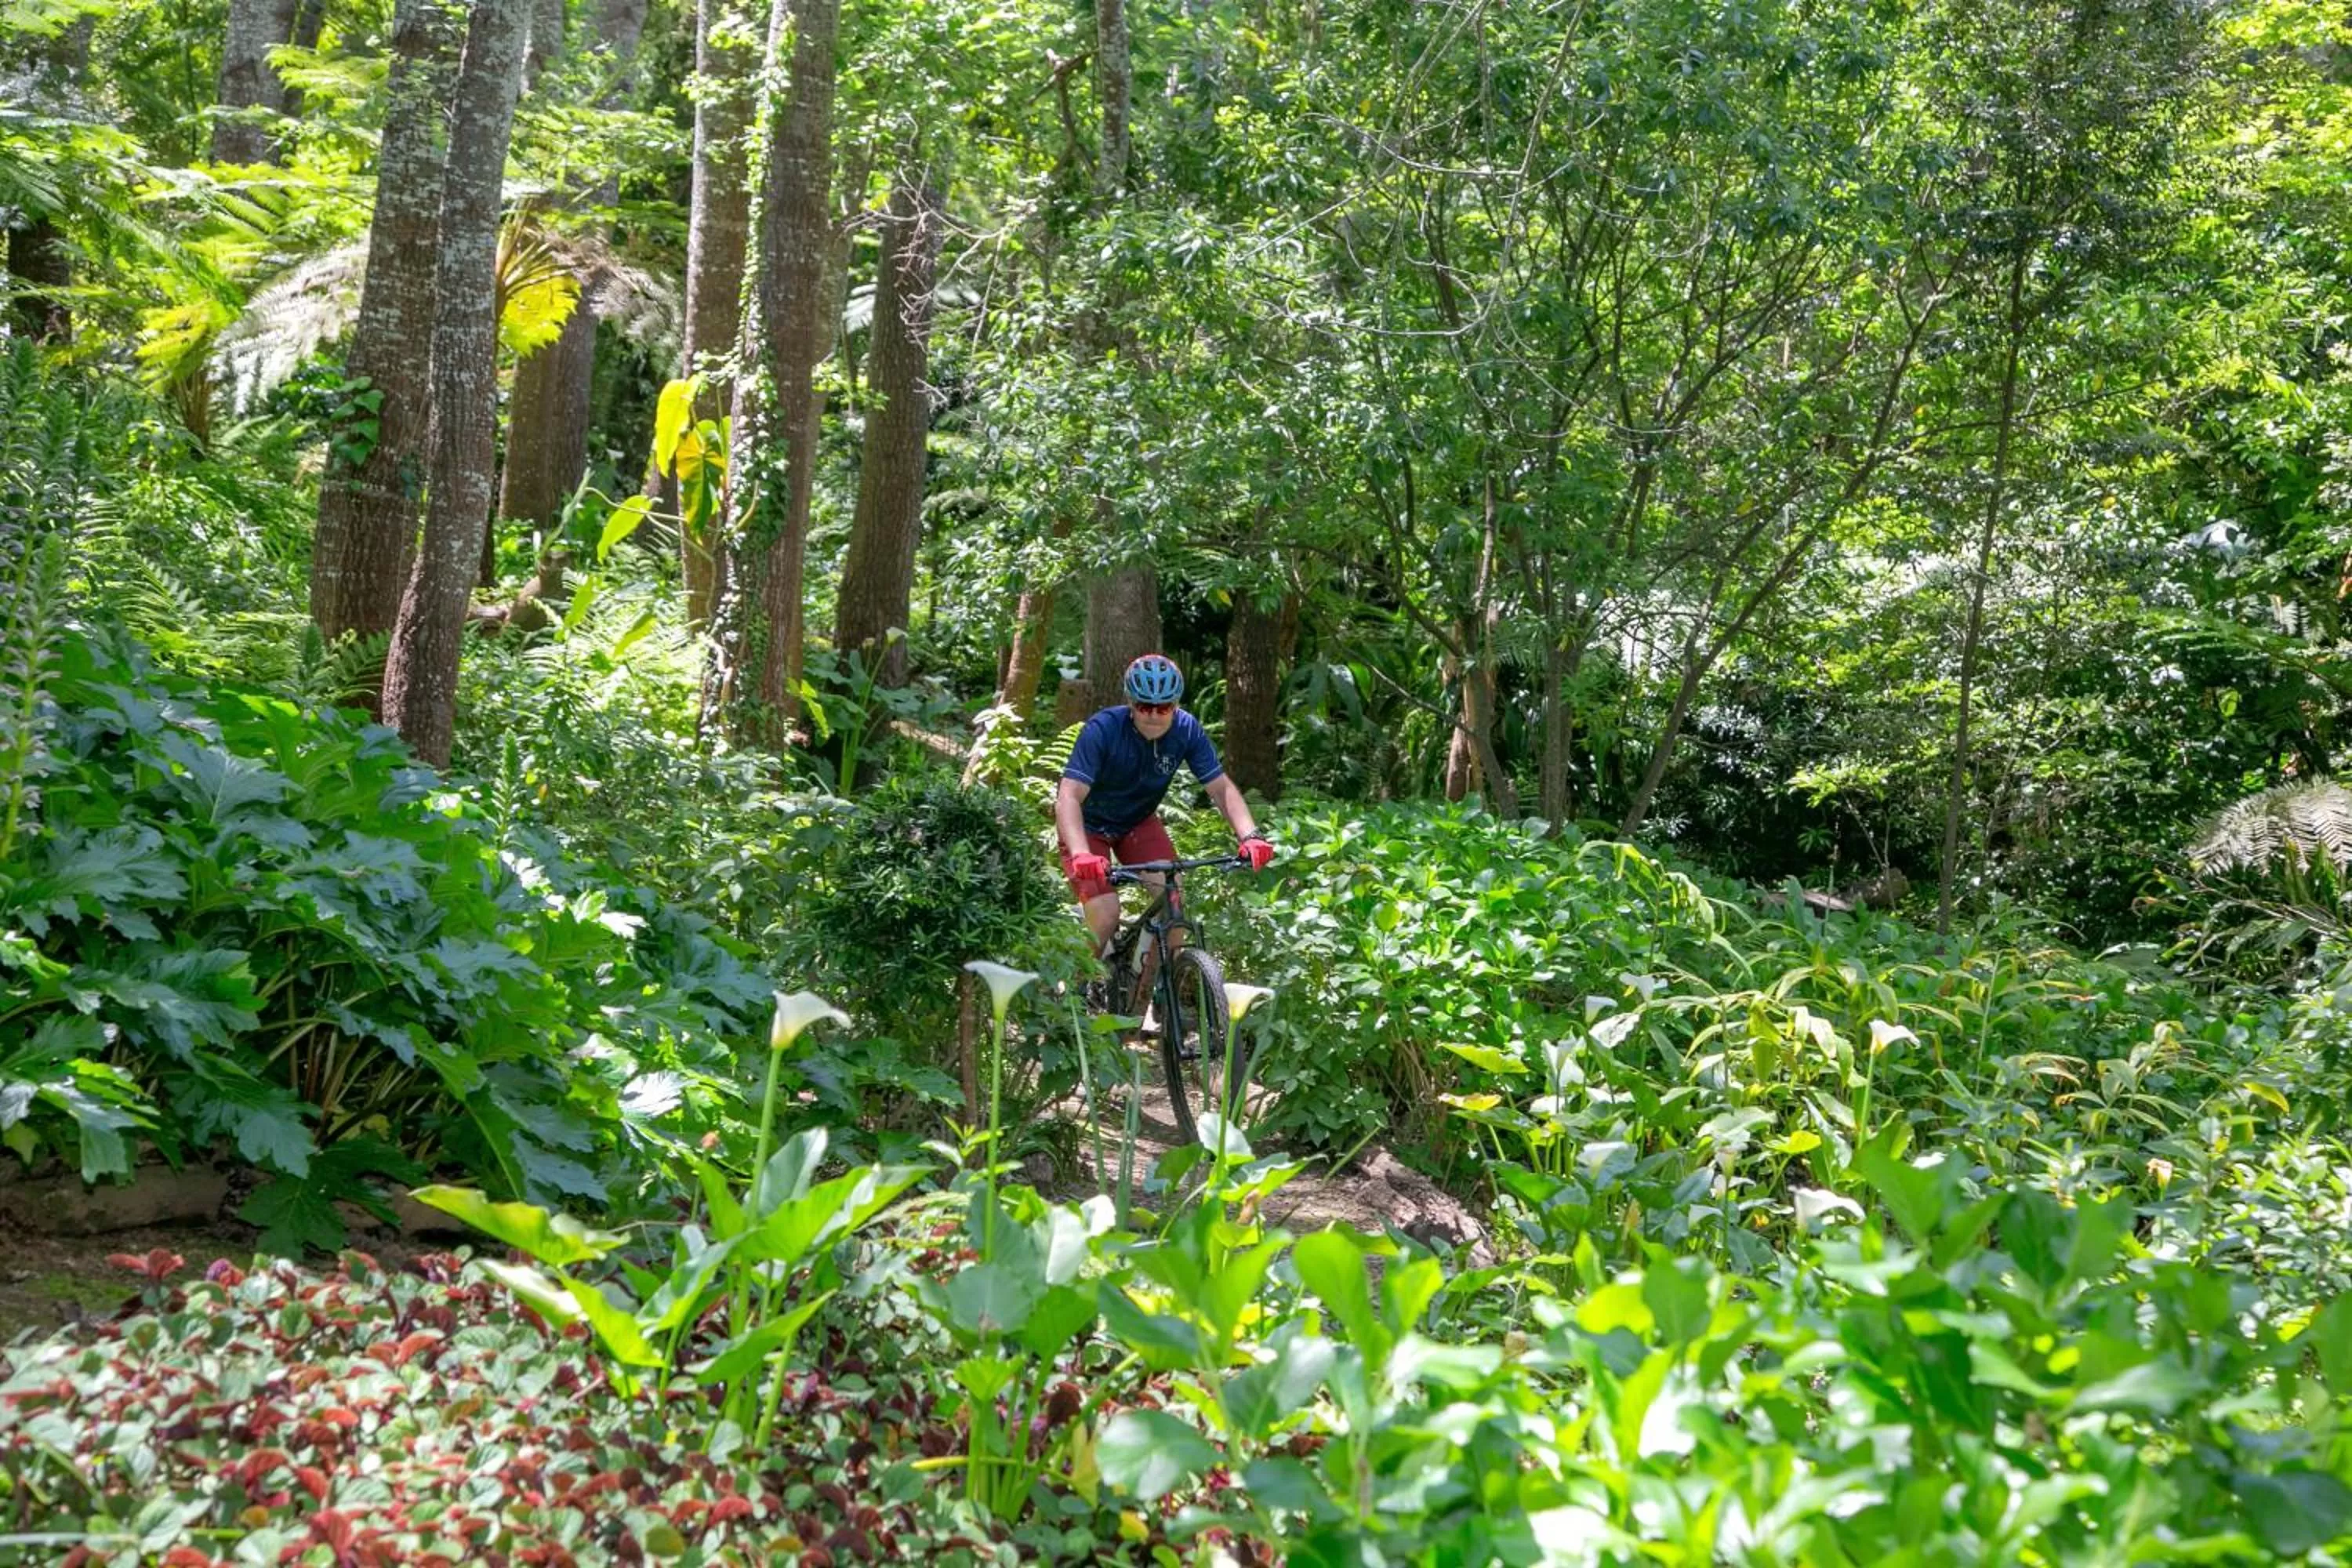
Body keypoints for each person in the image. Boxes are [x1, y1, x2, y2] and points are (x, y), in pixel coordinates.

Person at [1058, 653, 1276, 966]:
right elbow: (1068, 797)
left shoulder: (1186, 730)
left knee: (1173, 903)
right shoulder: (1102, 729)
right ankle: (1072, 997)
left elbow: (1220, 787)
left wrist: (1251, 836)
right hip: (1087, 826)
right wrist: (1080, 852)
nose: (1154, 715)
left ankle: (1153, 1001)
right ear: (1131, 704)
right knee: (1105, 913)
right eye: (1145, 706)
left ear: (1175, 706)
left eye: (1164, 707)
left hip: (1136, 823)